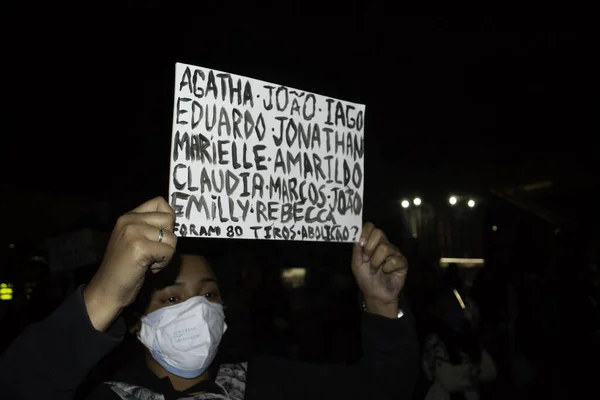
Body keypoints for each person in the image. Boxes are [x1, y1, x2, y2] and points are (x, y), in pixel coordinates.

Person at [0, 197, 418, 399]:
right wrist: (102, 294)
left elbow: (387, 389)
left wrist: (382, 304)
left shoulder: (265, 385)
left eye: (209, 294)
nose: (197, 309)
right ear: (135, 323)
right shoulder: (105, 398)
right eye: (171, 299)